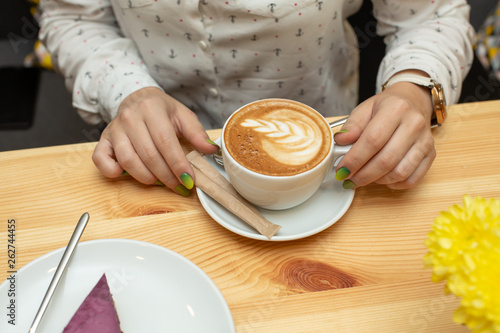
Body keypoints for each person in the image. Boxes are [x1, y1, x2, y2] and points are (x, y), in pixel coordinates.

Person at [39, 0, 474, 196]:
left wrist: (414, 90)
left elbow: (431, 16)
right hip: (156, 166)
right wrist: (126, 91)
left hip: (337, 163)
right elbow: (72, 16)